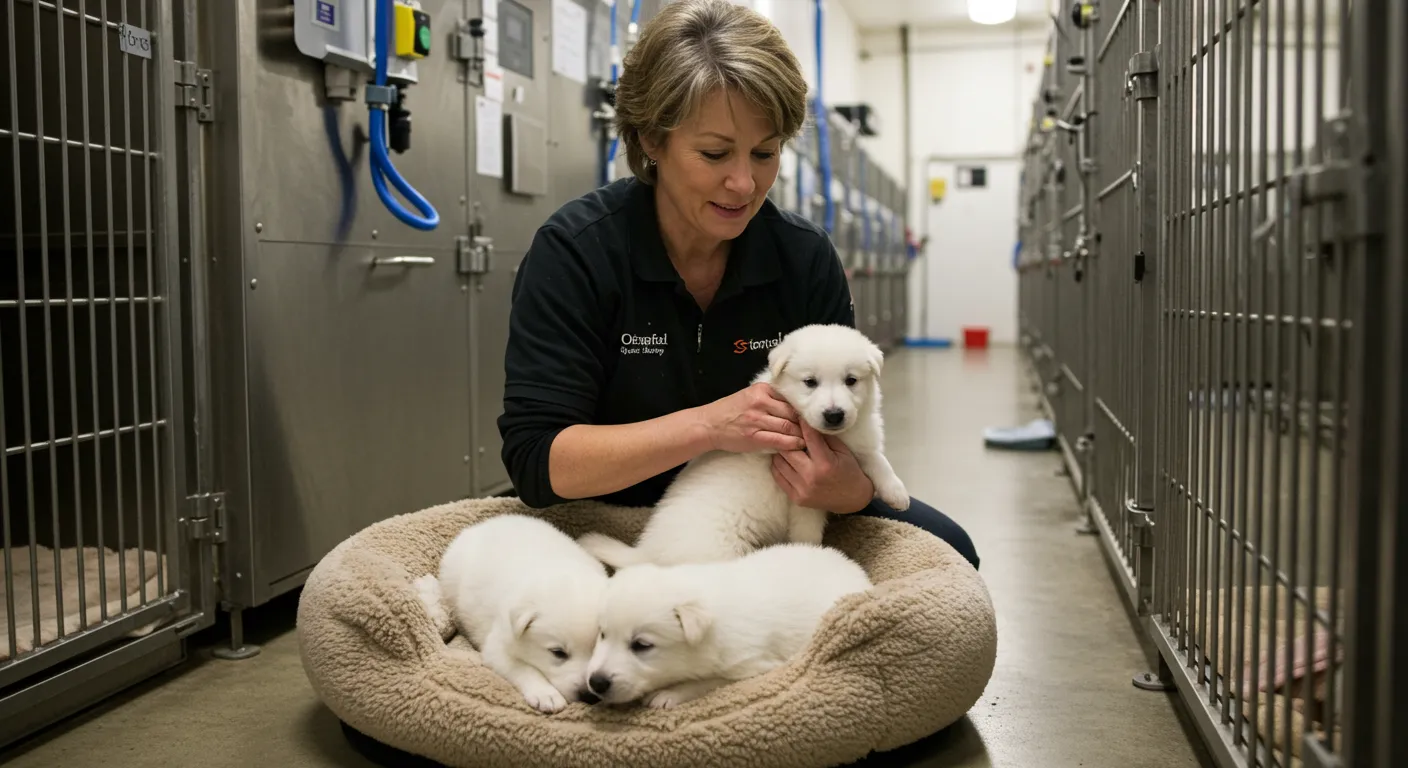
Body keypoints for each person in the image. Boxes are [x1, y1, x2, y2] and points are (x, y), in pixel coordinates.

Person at [496, 0, 979, 570]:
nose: (744, 183)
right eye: (715, 153)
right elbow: (537, 462)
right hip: (608, 505)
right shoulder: (578, 251)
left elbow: (839, 421)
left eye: (765, 153)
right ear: (652, 140)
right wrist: (709, 426)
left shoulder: (803, 257)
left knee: (952, 553)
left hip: (776, 502)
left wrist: (849, 488)